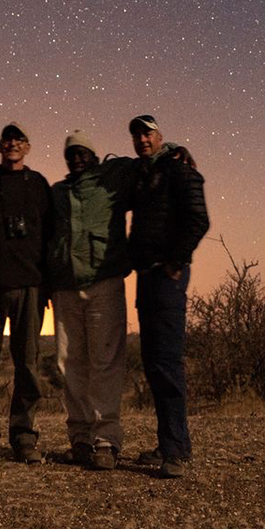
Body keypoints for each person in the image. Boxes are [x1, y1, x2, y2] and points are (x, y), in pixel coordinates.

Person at [46, 130, 135, 471]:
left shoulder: (113, 180)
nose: (77, 157)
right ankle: (80, 437)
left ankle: (106, 439)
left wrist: (171, 148)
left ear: (95, 154)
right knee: (69, 362)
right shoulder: (58, 192)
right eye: (72, 153)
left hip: (105, 281)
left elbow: (147, 161)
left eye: (83, 151)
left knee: (104, 361)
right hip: (65, 286)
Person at [126, 113, 209, 479]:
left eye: (147, 133)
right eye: (136, 135)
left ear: (160, 135)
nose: (142, 139)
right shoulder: (144, 174)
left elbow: (198, 219)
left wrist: (176, 260)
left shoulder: (178, 169)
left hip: (167, 274)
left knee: (168, 361)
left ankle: (175, 450)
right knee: (154, 362)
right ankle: (170, 442)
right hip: (147, 275)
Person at [0, 122, 52, 463]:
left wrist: (47, 284)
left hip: (30, 284)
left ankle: (23, 436)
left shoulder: (39, 184)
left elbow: (50, 235)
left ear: (28, 147)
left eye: (19, 140)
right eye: (7, 140)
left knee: (28, 365)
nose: (12, 145)